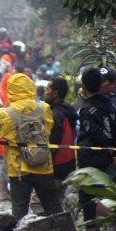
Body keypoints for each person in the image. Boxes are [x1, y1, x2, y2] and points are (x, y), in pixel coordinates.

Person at [0, 73, 62, 220]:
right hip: (43, 166)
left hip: (19, 170)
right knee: (53, 207)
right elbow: (49, 127)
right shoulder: (44, 108)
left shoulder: (6, 113)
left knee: (19, 212)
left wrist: (9, 105)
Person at [76, 68, 116, 231]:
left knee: (87, 195)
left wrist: (107, 149)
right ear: (101, 84)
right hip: (108, 157)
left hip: (92, 158)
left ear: (84, 86)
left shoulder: (87, 109)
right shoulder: (109, 103)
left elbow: (95, 134)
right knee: (105, 191)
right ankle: (106, 230)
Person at [44, 77, 78, 206]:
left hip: (56, 165)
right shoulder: (69, 110)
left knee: (39, 204)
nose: (45, 92)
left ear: (55, 93)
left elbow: (53, 142)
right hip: (68, 164)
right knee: (58, 203)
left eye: (48, 89)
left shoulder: (55, 114)